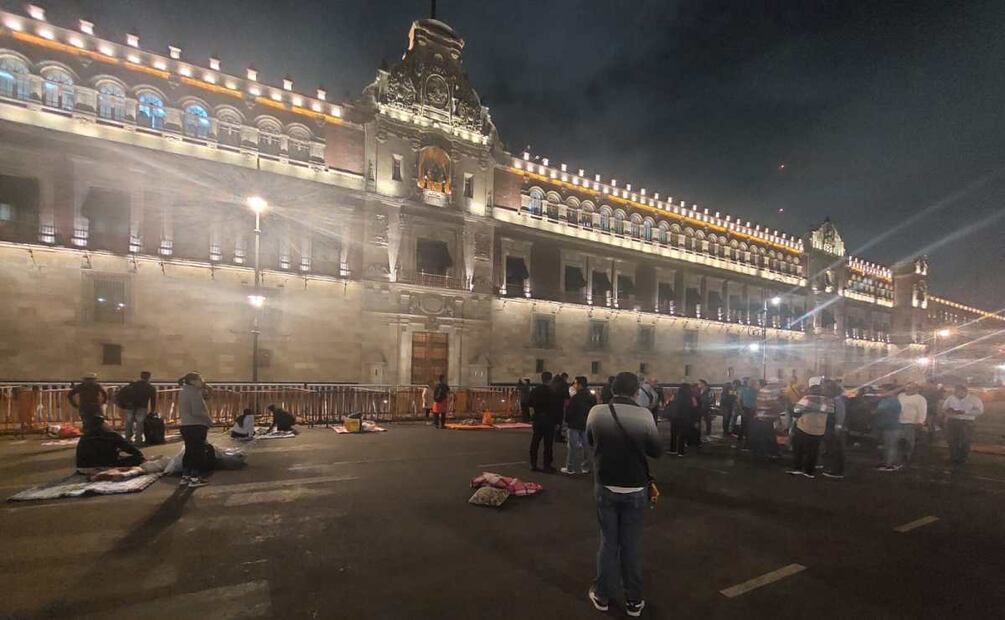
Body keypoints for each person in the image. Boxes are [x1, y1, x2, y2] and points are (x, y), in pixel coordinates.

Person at [586, 372, 661, 617]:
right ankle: (634, 600)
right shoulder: (644, 415)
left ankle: (603, 595)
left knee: (609, 543)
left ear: (612, 389)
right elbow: (656, 451)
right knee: (631, 545)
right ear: (636, 392)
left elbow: (590, 440)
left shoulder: (596, 412)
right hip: (636, 487)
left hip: (606, 484)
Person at [788, 379, 833, 478]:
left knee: (799, 449)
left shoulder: (807, 398)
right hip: (819, 429)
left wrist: (809, 408)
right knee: (813, 451)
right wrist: (817, 408)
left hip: (805, 427)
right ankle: (809, 472)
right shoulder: (828, 400)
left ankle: (798, 468)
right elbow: (830, 410)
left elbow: (796, 409)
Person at [178, 371, 212, 487]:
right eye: (200, 379)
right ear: (193, 381)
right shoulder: (194, 392)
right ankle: (195, 478)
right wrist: (208, 420)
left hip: (186, 425)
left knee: (189, 451)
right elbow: (197, 411)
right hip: (196, 425)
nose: (202, 381)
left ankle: (185, 477)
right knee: (198, 452)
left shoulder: (183, 391)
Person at [76, 416, 145, 470]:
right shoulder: (111, 435)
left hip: (83, 468)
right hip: (106, 465)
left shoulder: (84, 437)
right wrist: (140, 456)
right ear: (103, 424)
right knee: (137, 459)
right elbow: (130, 449)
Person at [942, 384, 984, 465]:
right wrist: (948, 411)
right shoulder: (951, 398)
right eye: (955, 392)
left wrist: (966, 412)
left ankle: (963, 458)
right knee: (952, 440)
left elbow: (980, 411)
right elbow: (944, 408)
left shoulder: (974, 399)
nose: (956, 394)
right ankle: (953, 456)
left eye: (958, 392)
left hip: (966, 422)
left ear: (964, 391)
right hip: (952, 421)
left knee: (965, 441)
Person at [563, 376, 596, 475]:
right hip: (586, 423)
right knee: (587, 447)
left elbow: (570, 411)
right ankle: (585, 467)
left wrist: (567, 421)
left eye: (576, 383)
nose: (575, 385)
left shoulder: (575, 398)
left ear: (580, 385)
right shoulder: (591, 396)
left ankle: (570, 467)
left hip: (574, 424)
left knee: (573, 447)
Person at [892, 383, 927, 468]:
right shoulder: (901, 395)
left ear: (916, 389)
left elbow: (922, 410)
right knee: (897, 441)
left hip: (911, 423)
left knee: (909, 442)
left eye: (911, 388)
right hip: (899, 422)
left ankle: (907, 460)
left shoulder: (920, 399)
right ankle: (897, 460)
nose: (908, 389)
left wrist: (920, 422)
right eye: (907, 387)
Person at [119, 371, 158, 445]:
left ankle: (127, 439)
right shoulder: (150, 387)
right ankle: (138, 440)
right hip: (142, 407)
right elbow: (153, 400)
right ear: (149, 377)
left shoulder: (133, 385)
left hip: (130, 407)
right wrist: (152, 410)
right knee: (140, 424)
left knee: (128, 423)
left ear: (141, 376)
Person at [529, 371, 557, 472]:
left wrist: (533, 417)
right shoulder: (552, 392)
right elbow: (555, 408)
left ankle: (533, 463)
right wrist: (556, 422)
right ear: (550, 380)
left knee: (535, 441)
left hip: (537, 418)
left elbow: (530, 405)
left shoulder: (535, 390)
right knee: (548, 444)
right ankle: (547, 465)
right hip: (549, 419)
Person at [749, 382, 783, 460]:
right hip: (766, 417)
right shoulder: (768, 392)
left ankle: (760, 453)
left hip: (761, 417)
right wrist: (780, 409)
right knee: (768, 435)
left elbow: (757, 404)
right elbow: (773, 404)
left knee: (763, 435)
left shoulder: (761, 391)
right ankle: (771, 452)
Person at [822, 380, 847, 479]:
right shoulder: (832, 400)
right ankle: (833, 468)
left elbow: (840, 414)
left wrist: (838, 426)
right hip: (830, 427)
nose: (823, 390)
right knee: (832, 449)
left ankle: (836, 471)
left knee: (836, 449)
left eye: (825, 388)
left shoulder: (837, 400)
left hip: (834, 428)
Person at [874, 390, 903, 471]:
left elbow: (879, 410)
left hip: (892, 426)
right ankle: (887, 463)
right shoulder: (886, 401)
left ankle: (890, 464)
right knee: (888, 446)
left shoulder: (893, 402)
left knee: (891, 446)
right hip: (886, 426)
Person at [667, 383, 698, 456]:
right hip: (685, 417)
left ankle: (673, 449)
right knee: (682, 435)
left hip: (675, 417)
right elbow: (695, 406)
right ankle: (681, 451)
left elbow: (669, 403)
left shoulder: (675, 395)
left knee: (674, 433)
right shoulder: (691, 396)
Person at [737, 377, 758, 445]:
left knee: (750, 424)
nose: (751, 384)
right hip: (745, 408)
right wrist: (741, 409)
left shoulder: (756, 391)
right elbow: (739, 400)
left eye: (753, 382)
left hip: (753, 409)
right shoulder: (743, 390)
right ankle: (742, 438)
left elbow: (757, 401)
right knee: (744, 424)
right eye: (750, 382)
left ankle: (748, 439)